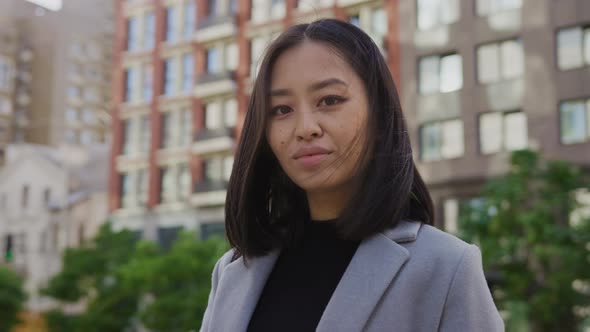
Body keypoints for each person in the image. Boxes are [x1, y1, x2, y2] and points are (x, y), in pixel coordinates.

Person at [200, 19, 504, 332]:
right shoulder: (233, 271)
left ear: (378, 114)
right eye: (281, 109)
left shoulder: (447, 267)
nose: (305, 128)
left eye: (329, 101)